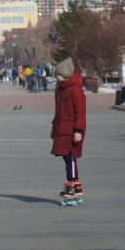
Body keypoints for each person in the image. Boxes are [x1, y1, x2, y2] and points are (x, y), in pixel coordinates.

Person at [51, 57, 86, 199]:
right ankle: (76, 186)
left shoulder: (75, 90)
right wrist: (54, 127)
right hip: (63, 128)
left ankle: (71, 184)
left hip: (72, 130)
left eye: (59, 74)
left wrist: (78, 130)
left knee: (70, 157)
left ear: (66, 75)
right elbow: (58, 111)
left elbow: (80, 112)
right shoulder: (62, 89)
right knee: (67, 157)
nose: (56, 77)